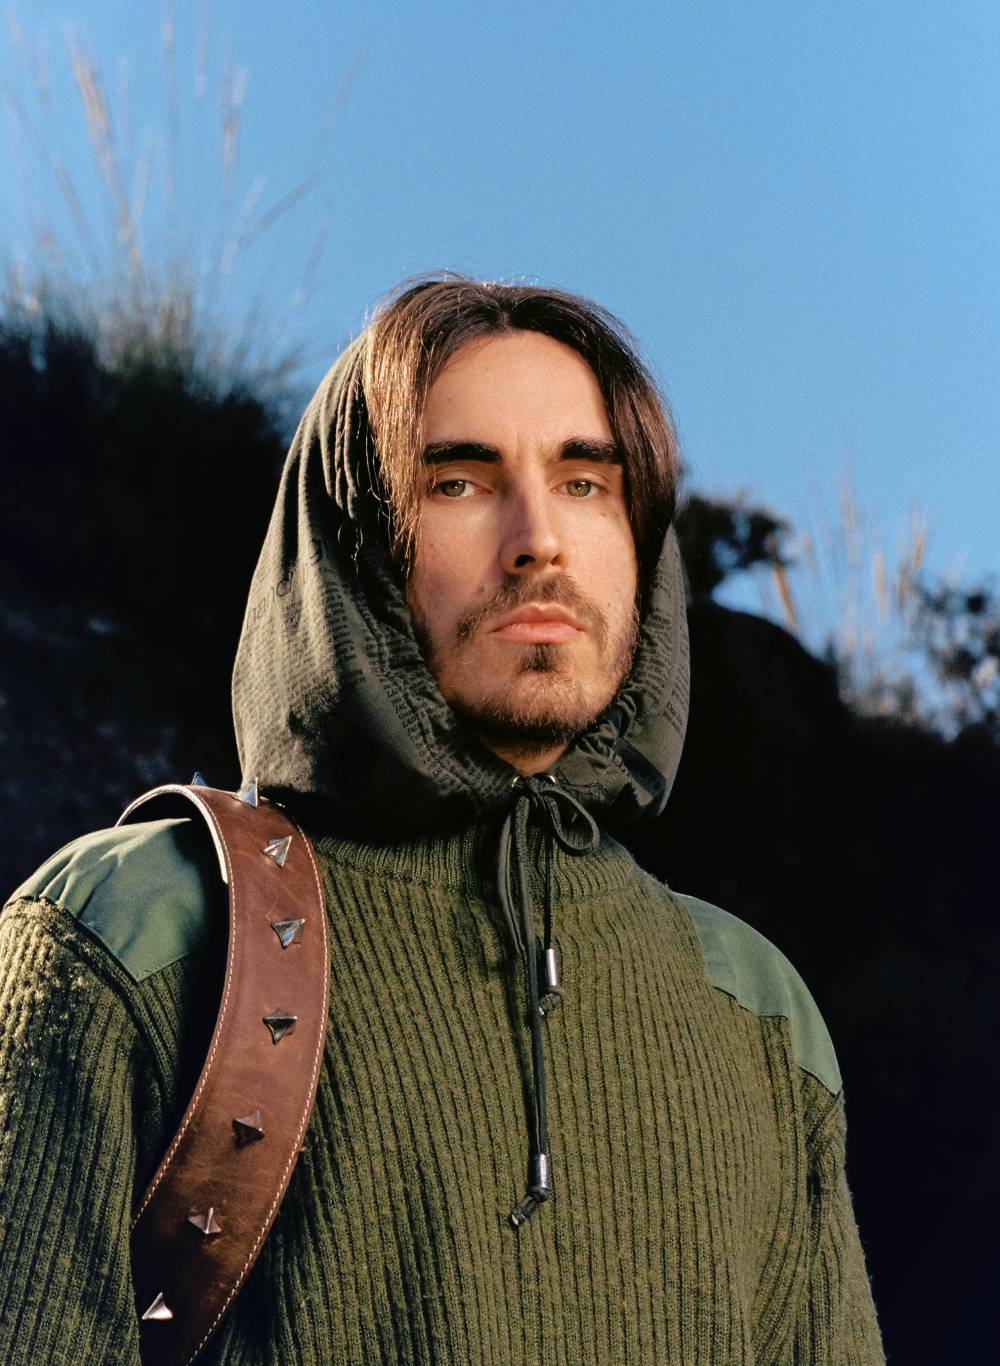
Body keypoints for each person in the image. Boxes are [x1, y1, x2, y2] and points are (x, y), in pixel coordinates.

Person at [0, 275, 884, 1364]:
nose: (538, 540)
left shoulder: (757, 1011)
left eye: (585, 483)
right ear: (356, 541)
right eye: (459, 482)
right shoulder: (136, 932)